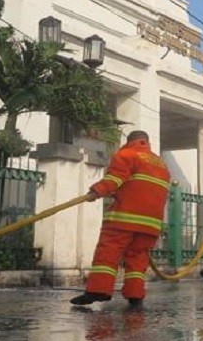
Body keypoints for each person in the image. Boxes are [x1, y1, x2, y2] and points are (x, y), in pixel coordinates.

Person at [70, 131, 171, 308]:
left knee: (108, 252)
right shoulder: (162, 164)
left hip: (125, 217)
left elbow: (115, 178)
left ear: (129, 141)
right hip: (151, 223)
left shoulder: (126, 155)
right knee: (138, 258)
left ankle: (99, 290)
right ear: (146, 142)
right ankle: (135, 296)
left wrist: (97, 190)